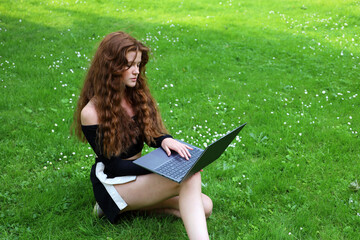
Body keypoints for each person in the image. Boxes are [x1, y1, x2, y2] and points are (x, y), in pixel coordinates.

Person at [73, 31, 213, 239]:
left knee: (206, 206)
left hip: (137, 178)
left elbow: (151, 133)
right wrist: (161, 166)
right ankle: (111, 203)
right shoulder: (91, 113)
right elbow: (115, 166)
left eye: (138, 65)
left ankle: (127, 210)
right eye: (129, 65)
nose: (136, 71)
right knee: (190, 176)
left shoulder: (135, 95)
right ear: (111, 67)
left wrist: (165, 140)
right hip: (115, 182)